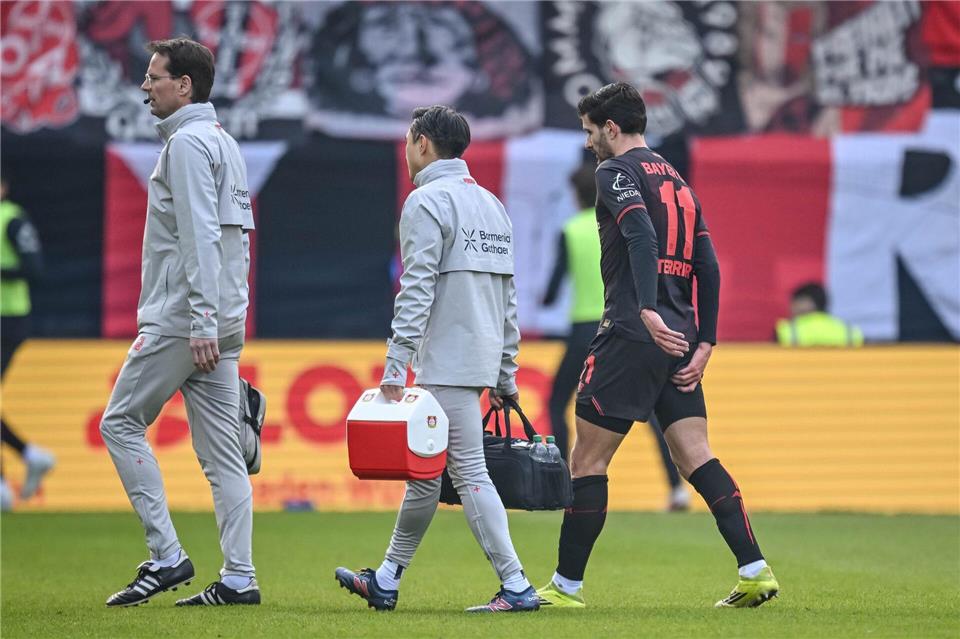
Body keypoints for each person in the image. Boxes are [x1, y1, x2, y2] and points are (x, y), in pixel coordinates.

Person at [536, 82, 779, 610]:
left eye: (590, 131)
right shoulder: (677, 180)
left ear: (612, 128)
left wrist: (644, 307)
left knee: (587, 460)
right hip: (681, 338)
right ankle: (755, 569)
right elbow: (707, 263)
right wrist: (707, 338)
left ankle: (566, 588)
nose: (588, 143)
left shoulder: (614, 172)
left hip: (632, 332)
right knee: (696, 456)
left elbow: (641, 235)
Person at [335, 106, 539, 614]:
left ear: (423, 144)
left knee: (468, 472)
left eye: (408, 141)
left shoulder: (425, 201)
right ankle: (386, 579)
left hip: (446, 360)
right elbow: (508, 297)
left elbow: (415, 289)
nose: (406, 151)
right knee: (426, 475)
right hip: (479, 356)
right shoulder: (491, 205)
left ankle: (515, 585)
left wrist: (393, 366)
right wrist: (506, 370)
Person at [99, 38, 259, 608]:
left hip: (186, 317)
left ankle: (166, 556)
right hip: (222, 314)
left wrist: (201, 320)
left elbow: (199, 234)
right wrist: (222, 317)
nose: (145, 86)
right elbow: (234, 238)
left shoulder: (189, 145)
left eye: (154, 76)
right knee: (223, 458)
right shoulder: (224, 143)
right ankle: (240, 578)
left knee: (119, 424)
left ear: (184, 85)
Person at [542, 161, 691, 511]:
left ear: (575, 195)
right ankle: (676, 489)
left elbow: (553, 288)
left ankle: (564, 484)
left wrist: (544, 297)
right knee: (651, 409)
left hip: (584, 331)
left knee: (555, 403)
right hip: (626, 324)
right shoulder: (622, 224)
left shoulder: (572, 230)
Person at [0, 175, 56, 511]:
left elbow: (35, 270)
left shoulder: (11, 218)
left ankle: (15, 471)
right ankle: (28, 458)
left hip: (7, 320)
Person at [776, 282, 864, 346]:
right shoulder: (850, 332)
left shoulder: (785, 331)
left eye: (794, 303)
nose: (790, 308)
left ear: (808, 303)